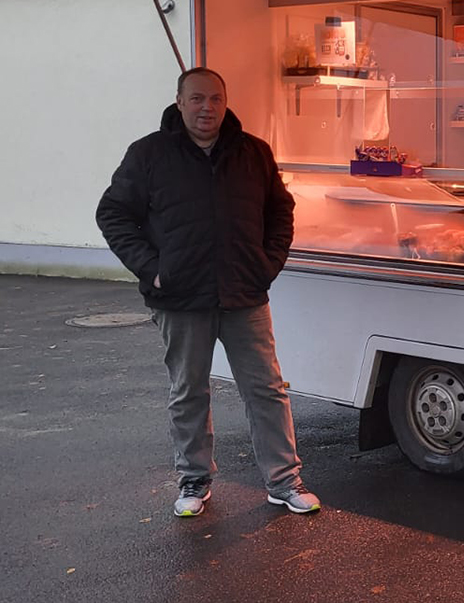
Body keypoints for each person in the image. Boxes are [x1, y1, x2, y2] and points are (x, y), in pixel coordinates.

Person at [96, 67, 320, 517]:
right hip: (180, 298)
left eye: (215, 99)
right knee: (189, 390)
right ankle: (194, 481)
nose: (207, 108)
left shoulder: (252, 152)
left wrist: (267, 265)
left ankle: (284, 481)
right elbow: (113, 215)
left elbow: (281, 212)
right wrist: (152, 270)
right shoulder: (149, 155)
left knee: (266, 389)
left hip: (244, 293)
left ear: (225, 101)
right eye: (197, 99)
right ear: (179, 102)